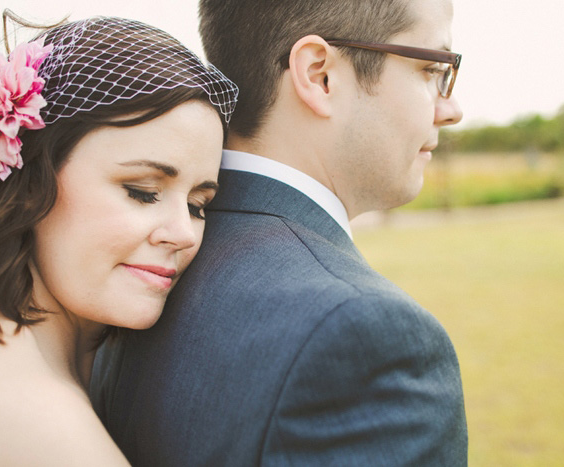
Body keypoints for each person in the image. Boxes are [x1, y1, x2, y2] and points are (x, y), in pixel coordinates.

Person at [92, 0, 466, 464]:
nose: (452, 109)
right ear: (319, 74)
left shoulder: (110, 275)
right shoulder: (364, 335)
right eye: (433, 68)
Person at [0, 13, 237, 465]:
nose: (184, 234)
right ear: (33, 180)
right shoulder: (32, 426)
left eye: (197, 205)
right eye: (143, 192)